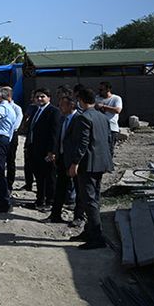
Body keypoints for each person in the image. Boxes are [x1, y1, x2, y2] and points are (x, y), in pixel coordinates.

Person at [68, 87, 114, 249]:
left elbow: (82, 144)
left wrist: (74, 163)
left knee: (89, 200)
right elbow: (109, 141)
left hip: (88, 165)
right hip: (100, 163)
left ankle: (97, 237)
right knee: (94, 198)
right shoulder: (102, 117)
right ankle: (89, 231)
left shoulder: (84, 118)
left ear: (80, 99)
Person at [47, 95, 84, 225]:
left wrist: (76, 161)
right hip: (62, 158)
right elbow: (59, 138)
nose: (60, 107)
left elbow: (81, 142)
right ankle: (55, 214)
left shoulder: (79, 119)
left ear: (71, 105)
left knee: (79, 189)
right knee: (60, 187)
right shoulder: (63, 119)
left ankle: (78, 217)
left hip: (74, 161)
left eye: (62, 105)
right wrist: (54, 152)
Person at [24, 88, 61, 211]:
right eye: (37, 97)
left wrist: (52, 151)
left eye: (42, 96)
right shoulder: (35, 110)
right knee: (39, 176)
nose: (39, 99)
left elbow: (54, 134)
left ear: (49, 98)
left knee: (49, 177)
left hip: (47, 151)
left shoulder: (53, 111)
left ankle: (50, 201)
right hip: (34, 149)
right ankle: (40, 199)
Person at [95, 81, 123, 157]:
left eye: (101, 90)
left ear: (108, 89)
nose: (99, 91)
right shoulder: (97, 98)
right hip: (99, 127)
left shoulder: (116, 98)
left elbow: (117, 110)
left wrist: (103, 107)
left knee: (109, 149)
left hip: (111, 128)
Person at [5, 87, 24, 191]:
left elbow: (16, 124)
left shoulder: (16, 108)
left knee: (10, 160)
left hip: (12, 135)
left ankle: (9, 183)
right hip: (1, 136)